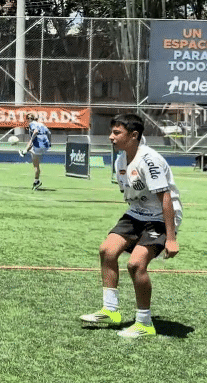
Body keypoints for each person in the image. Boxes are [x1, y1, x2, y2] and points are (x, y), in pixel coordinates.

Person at [80, 113, 182, 338]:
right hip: (136, 213)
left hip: (160, 217)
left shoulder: (149, 160)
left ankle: (144, 323)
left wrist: (171, 238)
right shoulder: (120, 160)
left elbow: (166, 198)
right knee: (107, 250)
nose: (111, 137)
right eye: (112, 132)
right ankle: (110, 310)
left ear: (134, 135)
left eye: (117, 133)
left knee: (136, 264)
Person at [18, 112, 51, 190]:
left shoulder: (31, 124)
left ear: (28, 119)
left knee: (36, 166)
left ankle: (36, 182)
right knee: (32, 148)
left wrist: (32, 139)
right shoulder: (41, 124)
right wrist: (49, 143)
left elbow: (35, 132)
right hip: (45, 145)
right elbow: (49, 133)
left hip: (38, 146)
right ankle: (24, 151)